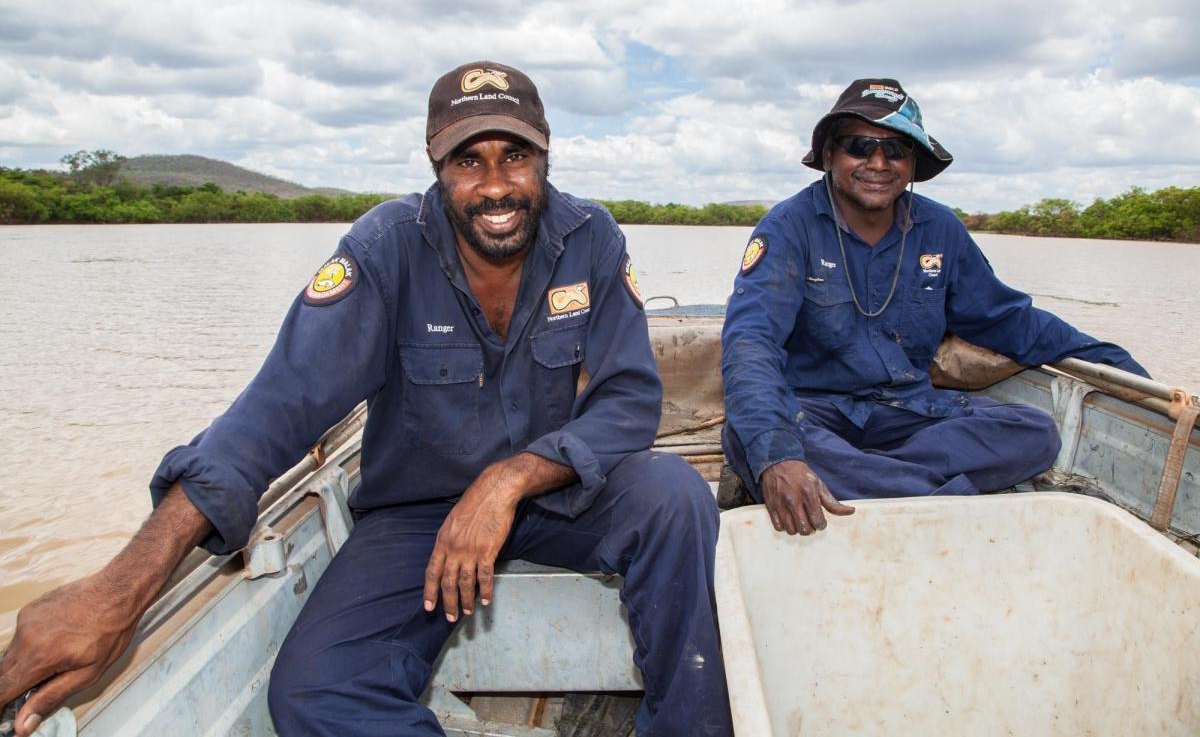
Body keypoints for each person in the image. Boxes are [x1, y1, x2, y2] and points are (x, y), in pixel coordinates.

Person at [0, 61, 732, 737]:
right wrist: (119, 589)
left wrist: (508, 480)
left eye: (516, 156)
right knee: (315, 695)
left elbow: (629, 401)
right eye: (468, 161)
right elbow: (273, 411)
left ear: (545, 157)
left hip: (556, 491)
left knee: (672, 494)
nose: (496, 184)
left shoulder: (590, 238)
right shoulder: (384, 249)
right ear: (435, 167)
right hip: (419, 514)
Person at [720, 78, 1148, 537]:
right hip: (816, 411)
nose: (878, 163)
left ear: (913, 164)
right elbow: (751, 342)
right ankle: (929, 497)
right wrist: (781, 457)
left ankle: (870, 482)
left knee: (1033, 432)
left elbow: (1008, 320)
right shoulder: (789, 227)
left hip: (907, 413)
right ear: (829, 156)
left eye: (896, 150)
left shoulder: (939, 229)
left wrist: (1126, 371)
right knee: (758, 441)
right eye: (859, 146)